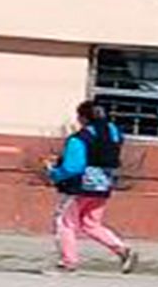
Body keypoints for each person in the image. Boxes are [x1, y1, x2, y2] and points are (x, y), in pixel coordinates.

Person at [48, 100, 139, 275]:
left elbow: (73, 167)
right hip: (103, 185)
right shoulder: (114, 135)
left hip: (78, 188)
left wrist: (54, 172)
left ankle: (68, 262)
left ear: (82, 117)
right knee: (91, 223)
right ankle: (122, 249)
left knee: (65, 222)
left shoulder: (79, 138)